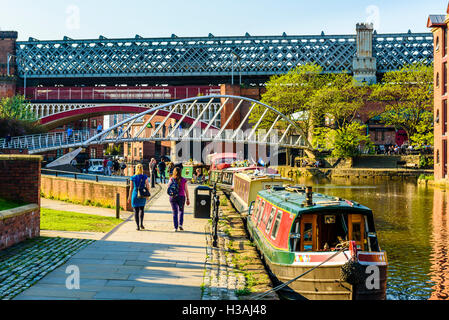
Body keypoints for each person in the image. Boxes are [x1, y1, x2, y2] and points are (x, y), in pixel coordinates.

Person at [127, 164, 150, 231]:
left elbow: (131, 188)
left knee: (136, 211)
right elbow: (148, 186)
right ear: (142, 169)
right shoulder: (144, 177)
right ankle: (141, 224)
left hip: (135, 194)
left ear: (136, 169)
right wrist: (147, 196)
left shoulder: (133, 177)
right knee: (142, 209)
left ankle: (137, 226)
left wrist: (129, 197)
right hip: (142, 194)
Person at [168, 167, 190, 232]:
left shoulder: (171, 179)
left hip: (173, 197)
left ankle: (175, 227)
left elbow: (168, 187)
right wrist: (188, 198)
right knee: (181, 211)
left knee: (175, 212)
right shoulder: (184, 180)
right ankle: (180, 224)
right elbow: (186, 190)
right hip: (181, 197)